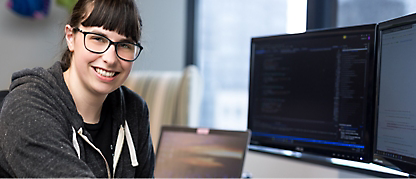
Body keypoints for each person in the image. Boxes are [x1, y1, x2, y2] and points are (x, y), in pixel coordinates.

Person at [0, 0, 155, 177]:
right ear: (70, 37)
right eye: (98, 38)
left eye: (125, 45)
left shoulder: (134, 110)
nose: (110, 59)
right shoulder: (26, 106)